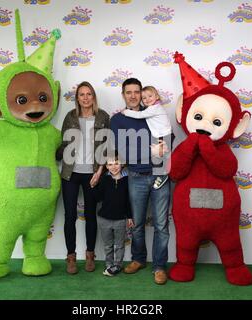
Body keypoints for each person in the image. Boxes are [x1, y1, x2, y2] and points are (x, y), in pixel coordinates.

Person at [110, 78, 171, 285]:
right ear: (123, 95)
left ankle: (160, 266)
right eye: (129, 92)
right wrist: (150, 150)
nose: (134, 96)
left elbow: (167, 140)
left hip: (159, 175)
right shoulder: (118, 120)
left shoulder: (153, 111)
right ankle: (138, 259)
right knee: (136, 224)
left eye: (137, 92)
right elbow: (124, 151)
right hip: (135, 177)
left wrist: (158, 149)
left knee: (161, 225)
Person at [56, 81, 110, 274]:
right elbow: (63, 144)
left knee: (90, 215)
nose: (86, 98)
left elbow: (106, 146)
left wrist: (99, 171)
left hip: (92, 174)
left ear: (93, 97)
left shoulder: (103, 117)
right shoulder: (70, 117)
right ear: (77, 98)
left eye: (89, 94)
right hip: (70, 173)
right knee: (69, 215)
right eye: (82, 94)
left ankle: (90, 255)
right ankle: (71, 257)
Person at [122, 86, 172, 189]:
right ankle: (163, 173)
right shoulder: (153, 108)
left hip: (164, 136)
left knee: (159, 156)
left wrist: (126, 112)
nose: (147, 99)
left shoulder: (154, 108)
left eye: (150, 96)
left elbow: (140, 115)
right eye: (144, 98)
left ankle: (162, 175)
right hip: (163, 135)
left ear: (157, 96)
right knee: (159, 156)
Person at [94, 152, 134, 277]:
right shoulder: (104, 180)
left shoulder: (127, 181)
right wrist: (93, 185)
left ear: (122, 164)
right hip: (104, 219)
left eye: (116, 163)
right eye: (110, 164)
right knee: (108, 245)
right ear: (106, 166)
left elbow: (128, 201)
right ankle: (109, 264)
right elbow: (97, 198)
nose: (114, 167)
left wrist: (129, 216)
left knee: (119, 245)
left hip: (120, 220)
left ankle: (117, 265)